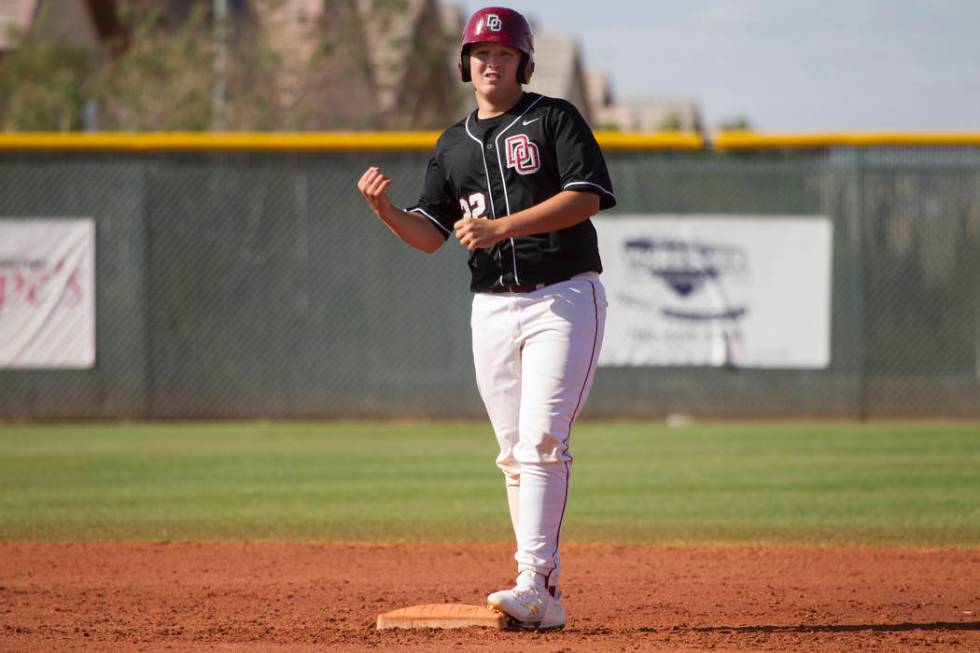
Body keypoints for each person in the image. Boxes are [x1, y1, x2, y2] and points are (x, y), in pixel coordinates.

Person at [356, 5, 615, 631]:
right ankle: (538, 587)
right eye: (480, 54)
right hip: (493, 308)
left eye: (502, 54)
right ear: (465, 65)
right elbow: (430, 235)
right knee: (511, 452)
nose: (490, 63)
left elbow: (586, 196)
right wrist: (389, 212)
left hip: (563, 298)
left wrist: (503, 226)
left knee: (544, 440)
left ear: (523, 63)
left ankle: (536, 584)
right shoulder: (452, 145)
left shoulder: (554, 117)